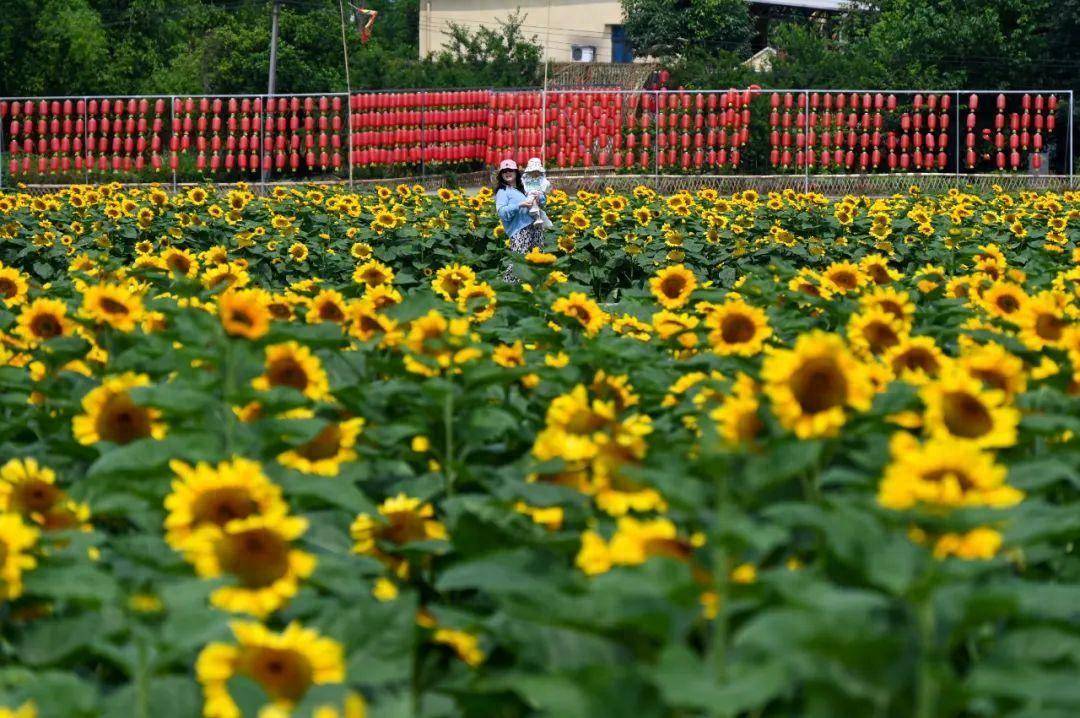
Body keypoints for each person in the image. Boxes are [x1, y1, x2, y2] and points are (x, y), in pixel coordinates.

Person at [494, 158, 546, 283]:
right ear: (501, 174)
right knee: (518, 262)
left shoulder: (524, 187)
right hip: (519, 231)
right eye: (504, 171)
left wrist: (540, 198)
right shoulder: (503, 191)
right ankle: (508, 290)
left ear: (516, 172)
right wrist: (520, 205)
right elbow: (502, 213)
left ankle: (535, 288)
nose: (507, 173)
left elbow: (542, 202)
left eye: (510, 170)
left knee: (537, 258)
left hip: (535, 226)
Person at [521, 157, 553, 228]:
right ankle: (537, 217)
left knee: (534, 197)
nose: (535, 173)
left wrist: (540, 192)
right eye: (533, 171)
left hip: (539, 197)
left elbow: (546, 188)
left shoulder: (542, 179)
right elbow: (524, 187)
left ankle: (537, 215)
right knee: (531, 197)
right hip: (529, 197)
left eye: (537, 171)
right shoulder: (526, 179)